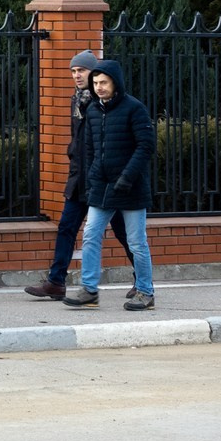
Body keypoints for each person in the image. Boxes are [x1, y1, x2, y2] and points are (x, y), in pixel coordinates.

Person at [24, 51, 132, 300]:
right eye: (73, 71)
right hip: (79, 178)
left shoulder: (103, 104)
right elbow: (79, 142)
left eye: (81, 70)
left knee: (122, 231)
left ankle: (142, 279)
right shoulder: (78, 101)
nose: (76, 75)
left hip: (102, 180)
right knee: (66, 228)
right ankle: (56, 281)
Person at [63, 60, 156, 311]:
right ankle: (90, 290)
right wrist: (93, 180)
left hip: (130, 187)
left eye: (103, 82)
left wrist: (127, 177)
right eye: (95, 83)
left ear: (116, 82)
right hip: (102, 188)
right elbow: (91, 149)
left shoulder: (134, 108)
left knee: (137, 242)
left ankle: (146, 292)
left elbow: (146, 146)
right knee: (91, 235)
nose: (99, 87)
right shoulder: (93, 110)